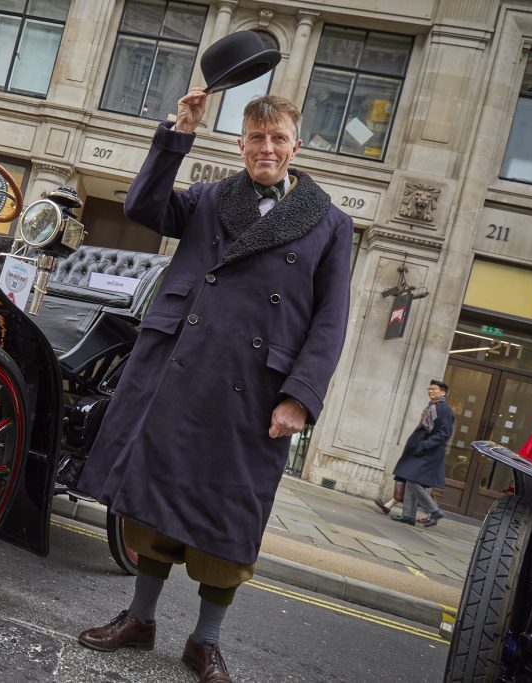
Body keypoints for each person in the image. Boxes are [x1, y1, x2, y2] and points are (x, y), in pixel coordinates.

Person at [75, 91, 352, 682]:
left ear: (295, 146)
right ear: (240, 144)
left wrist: (300, 397)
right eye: (256, 138)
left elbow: (331, 319)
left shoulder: (331, 224)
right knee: (155, 501)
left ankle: (205, 641)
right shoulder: (207, 199)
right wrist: (178, 132)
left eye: (278, 138)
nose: (266, 148)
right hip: (182, 369)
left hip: (255, 391)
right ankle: (140, 620)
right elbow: (144, 204)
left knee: (227, 520)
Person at [390, 380, 453, 527]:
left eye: (434, 389)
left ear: (443, 392)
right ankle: (408, 516)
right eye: (429, 389)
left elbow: (445, 433)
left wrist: (425, 445)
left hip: (429, 452)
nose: (431, 391)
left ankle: (434, 510)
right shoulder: (431, 407)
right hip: (420, 450)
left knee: (413, 480)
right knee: (408, 476)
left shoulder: (444, 409)